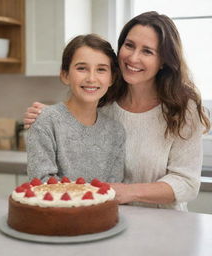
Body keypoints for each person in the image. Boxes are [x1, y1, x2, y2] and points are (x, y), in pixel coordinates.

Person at [24, 11, 210, 211]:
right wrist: (52, 116)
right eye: (129, 45)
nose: (133, 57)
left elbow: (188, 184)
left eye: (147, 51)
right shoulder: (105, 99)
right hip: (111, 218)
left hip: (162, 223)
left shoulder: (183, 109)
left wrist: (128, 191)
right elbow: (77, 118)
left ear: (163, 60)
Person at [27, 34, 126, 183]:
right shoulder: (45, 121)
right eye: (82, 68)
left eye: (101, 69)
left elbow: (114, 188)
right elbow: (42, 181)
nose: (91, 78)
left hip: (102, 207)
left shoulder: (116, 131)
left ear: (112, 78)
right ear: (65, 74)